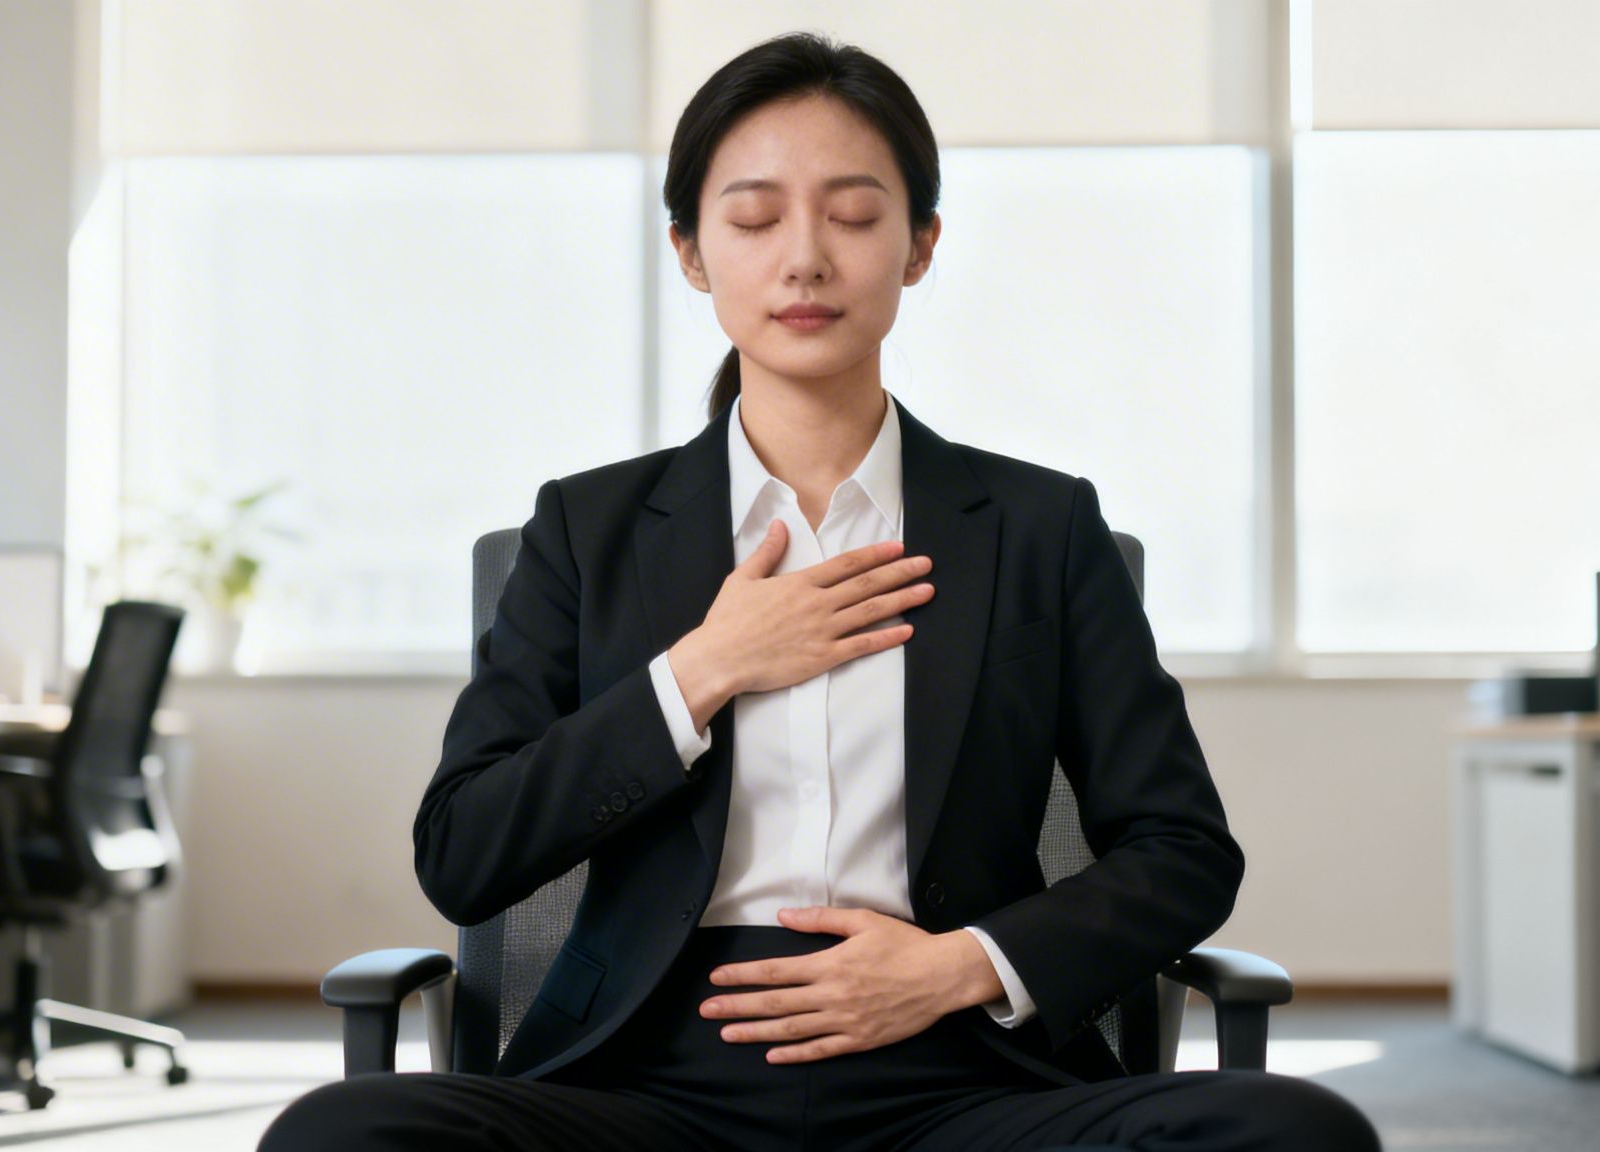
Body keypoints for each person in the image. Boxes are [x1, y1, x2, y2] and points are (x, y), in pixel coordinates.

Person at [262, 31, 1380, 1152]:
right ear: (692, 253)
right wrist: (702, 670)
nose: (803, 259)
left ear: (919, 245)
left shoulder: (1038, 528)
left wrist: (959, 967)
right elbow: (464, 854)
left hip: (959, 1070)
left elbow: (1179, 852)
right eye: (752, 220)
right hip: (649, 1077)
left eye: (850, 215)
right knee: (338, 1135)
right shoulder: (586, 530)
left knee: (1293, 1130)